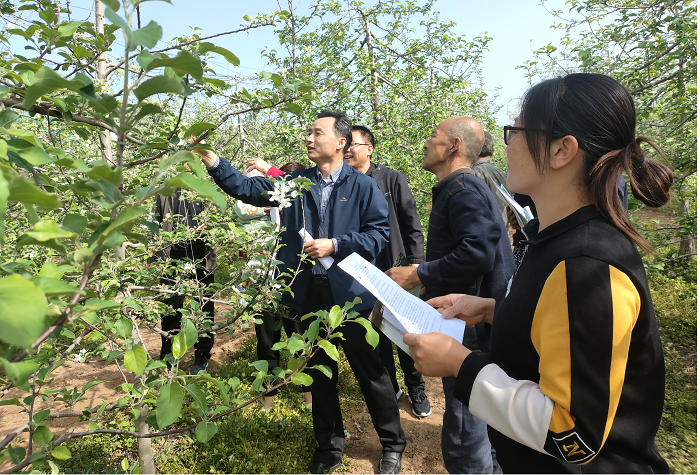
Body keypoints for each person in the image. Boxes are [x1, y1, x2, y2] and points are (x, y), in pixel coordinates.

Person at [405, 73, 673, 473]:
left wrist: (461, 364)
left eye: (516, 132)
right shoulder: (551, 238)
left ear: (561, 150)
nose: (507, 144)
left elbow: (574, 437)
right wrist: (492, 309)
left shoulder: (587, 265)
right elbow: (555, 325)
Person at [195, 110, 406, 474]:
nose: (309, 138)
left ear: (340, 142)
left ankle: (392, 444)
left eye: (317, 133)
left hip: (352, 297)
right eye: (309, 132)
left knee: (372, 373)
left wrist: (336, 244)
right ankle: (329, 447)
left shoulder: (362, 186)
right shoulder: (296, 183)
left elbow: (378, 234)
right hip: (308, 294)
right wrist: (213, 160)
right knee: (320, 373)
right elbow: (248, 189)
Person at [386, 116, 515, 474]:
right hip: (473, 314)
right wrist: (433, 284)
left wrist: (419, 273)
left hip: (468, 325)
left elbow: (477, 253)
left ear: (454, 146)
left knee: (465, 429)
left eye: (433, 135)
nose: (426, 143)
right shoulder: (462, 187)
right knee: (482, 419)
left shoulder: (462, 189)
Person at [343, 125, 432, 418]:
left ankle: (416, 388)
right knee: (377, 330)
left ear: (369, 149)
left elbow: (411, 222)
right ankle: (391, 387)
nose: (347, 150)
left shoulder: (391, 179)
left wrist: (416, 264)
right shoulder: (345, 183)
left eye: (353, 144)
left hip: (396, 266)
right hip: (364, 271)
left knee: (405, 331)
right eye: (345, 144)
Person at [153, 188, 217, 374]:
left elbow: (220, 221)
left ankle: (202, 353)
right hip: (171, 258)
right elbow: (155, 221)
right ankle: (169, 355)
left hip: (201, 256)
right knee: (170, 309)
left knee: (204, 307)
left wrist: (211, 227)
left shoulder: (205, 188)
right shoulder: (164, 190)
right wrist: (153, 258)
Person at [472, 131, 510, 228]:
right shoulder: (502, 173)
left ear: (472, 151)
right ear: (492, 151)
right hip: (503, 232)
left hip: (486, 233)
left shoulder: (473, 174)